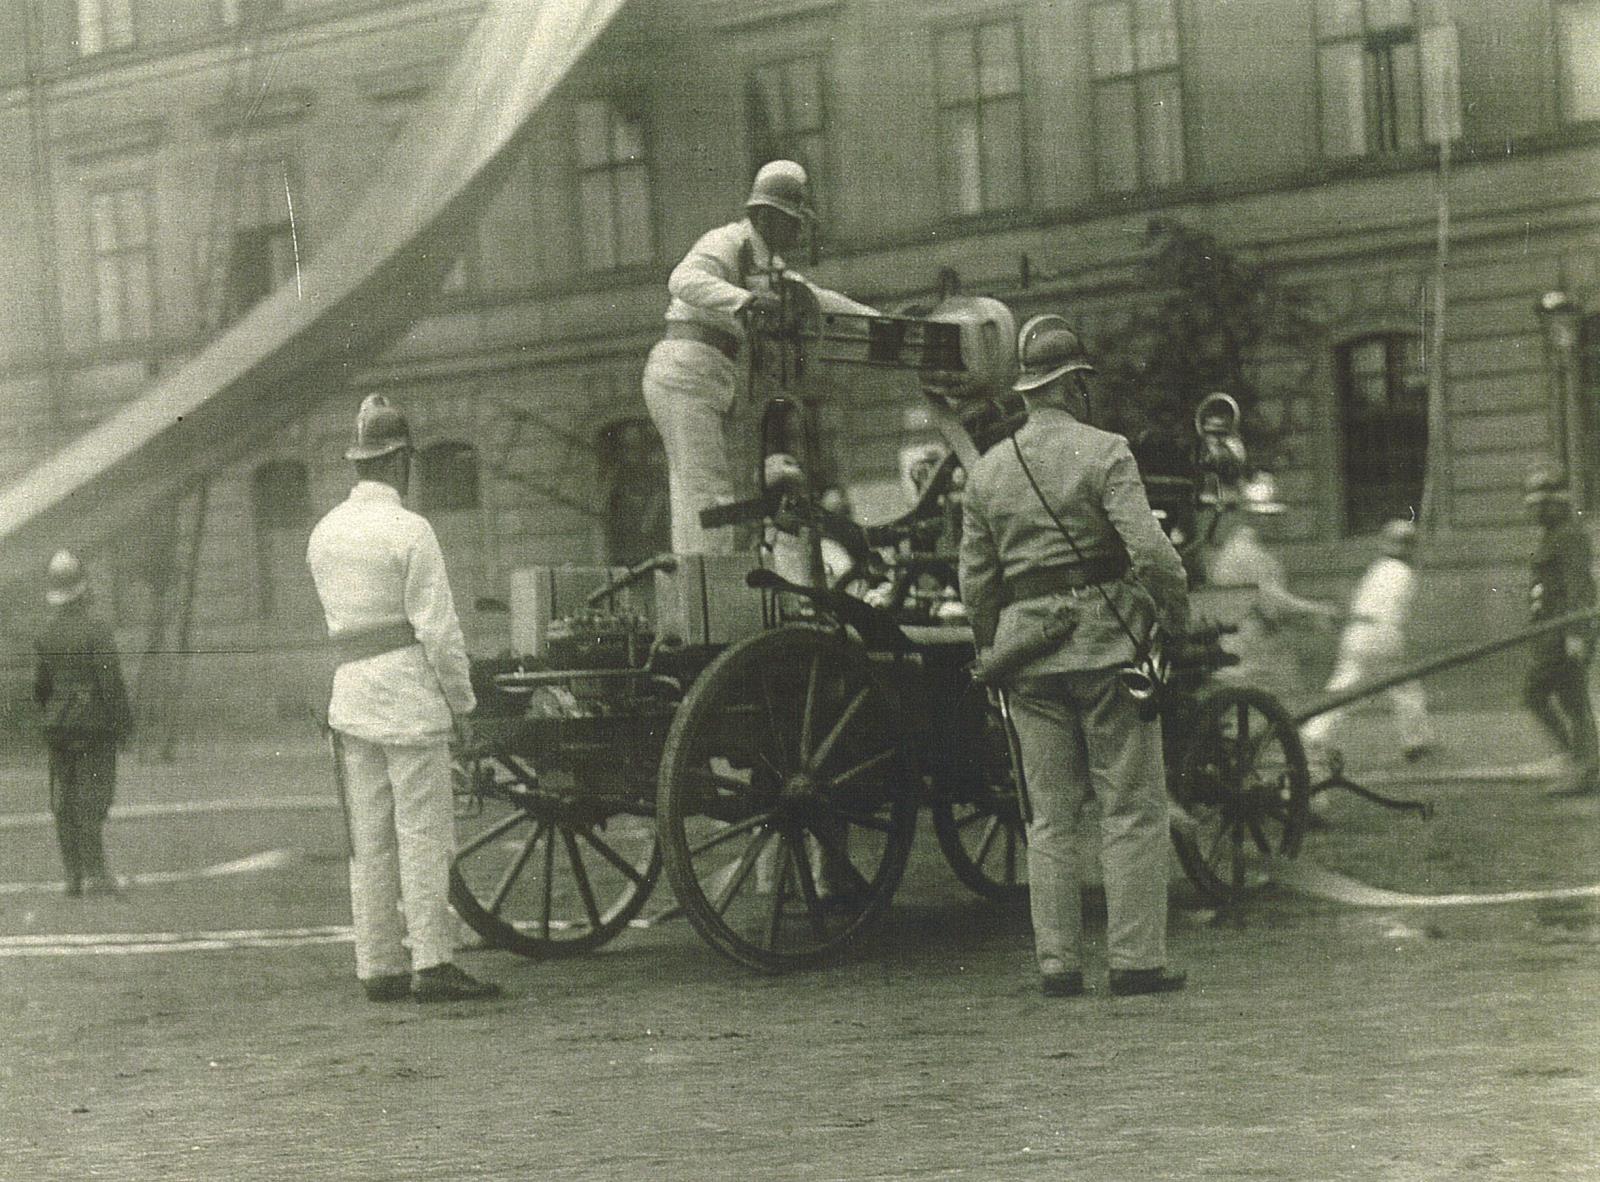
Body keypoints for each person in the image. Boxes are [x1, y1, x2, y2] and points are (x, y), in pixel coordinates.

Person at [960, 314, 1190, 999]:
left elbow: (976, 582)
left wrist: (993, 649)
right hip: (1107, 645)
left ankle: (1058, 964)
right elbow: (1151, 553)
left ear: (1028, 390)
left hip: (1027, 657)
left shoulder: (986, 472)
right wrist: (1173, 622)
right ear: (1074, 385)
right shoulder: (1105, 451)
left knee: (1050, 817)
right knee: (1131, 808)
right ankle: (1135, 961)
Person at [306, 394, 500, 1004]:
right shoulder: (411, 529)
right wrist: (463, 705)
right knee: (423, 834)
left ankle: (378, 964)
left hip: (351, 693)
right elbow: (438, 631)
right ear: (400, 462)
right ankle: (433, 961)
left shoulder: (324, 532)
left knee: (368, 839)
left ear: (359, 461)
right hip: (408, 695)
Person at [642, 159, 877, 555]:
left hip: (707, 374)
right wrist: (745, 301)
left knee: (697, 491)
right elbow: (682, 280)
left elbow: (816, 300)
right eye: (792, 221)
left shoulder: (767, 264)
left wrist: (876, 320)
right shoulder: (727, 242)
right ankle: (710, 582)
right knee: (707, 493)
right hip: (686, 368)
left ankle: (698, 576)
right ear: (767, 216)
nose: (798, 231)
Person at [33, 549, 133, 898]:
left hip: (58, 729)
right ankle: (97, 873)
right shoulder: (97, 630)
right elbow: (111, 683)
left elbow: (41, 688)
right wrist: (123, 726)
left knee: (64, 801)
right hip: (94, 727)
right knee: (93, 800)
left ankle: (73, 876)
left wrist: (52, 715)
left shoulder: (45, 633)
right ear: (82, 589)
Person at [1301, 519, 1436, 767]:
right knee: (1405, 688)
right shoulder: (1404, 573)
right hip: (1383, 635)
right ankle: (1416, 741)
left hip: (1357, 633)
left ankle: (1315, 733)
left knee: (1345, 685)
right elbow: (1397, 611)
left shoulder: (1377, 569)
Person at [1204, 473, 1338, 705]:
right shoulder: (1248, 554)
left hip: (1251, 648)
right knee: (1286, 706)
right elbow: (1273, 601)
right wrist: (1317, 609)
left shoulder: (1239, 549)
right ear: (1252, 518)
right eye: (1266, 516)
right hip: (1253, 652)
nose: (1274, 522)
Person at [1520, 468, 1599, 797]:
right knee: (1569, 698)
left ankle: (1582, 764)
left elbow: (1580, 588)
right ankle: (1584, 763)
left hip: (1564, 634)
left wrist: (1576, 635)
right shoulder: (1552, 535)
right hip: (1550, 633)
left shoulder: (1569, 535)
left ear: (1556, 504)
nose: (1533, 511)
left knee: (1541, 695)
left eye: (1540, 505)